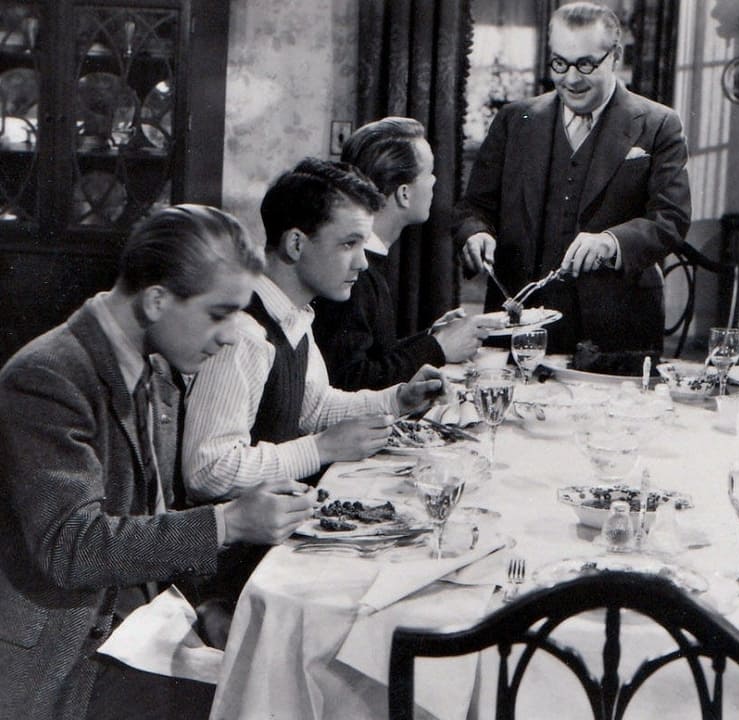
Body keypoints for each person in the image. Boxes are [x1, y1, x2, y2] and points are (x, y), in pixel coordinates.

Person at [0, 205, 316, 720]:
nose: (233, 335)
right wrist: (228, 523)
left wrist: (203, 605)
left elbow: (153, 520)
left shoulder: (155, 370)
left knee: (291, 673)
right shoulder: (48, 377)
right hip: (60, 661)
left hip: (138, 629)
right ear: (156, 300)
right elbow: (73, 550)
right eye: (220, 314)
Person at [183, 157, 451, 503]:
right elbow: (207, 472)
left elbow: (314, 408)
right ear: (296, 244)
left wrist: (397, 399)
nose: (363, 262)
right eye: (348, 244)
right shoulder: (243, 332)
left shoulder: (292, 314)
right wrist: (320, 449)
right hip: (243, 549)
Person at [454, 0, 692, 355]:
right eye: (560, 63)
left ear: (615, 56)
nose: (570, 78)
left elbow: (671, 220)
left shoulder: (659, 124)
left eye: (585, 64)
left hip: (617, 327)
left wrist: (611, 242)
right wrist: (476, 234)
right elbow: (474, 208)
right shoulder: (514, 120)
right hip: (520, 325)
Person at [312, 117, 494, 390]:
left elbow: (374, 354)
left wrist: (430, 338)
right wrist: (438, 348)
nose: (434, 182)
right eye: (429, 173)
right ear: (404, 194)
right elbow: (348, 381)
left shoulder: (370, 257)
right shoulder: (352, 271)